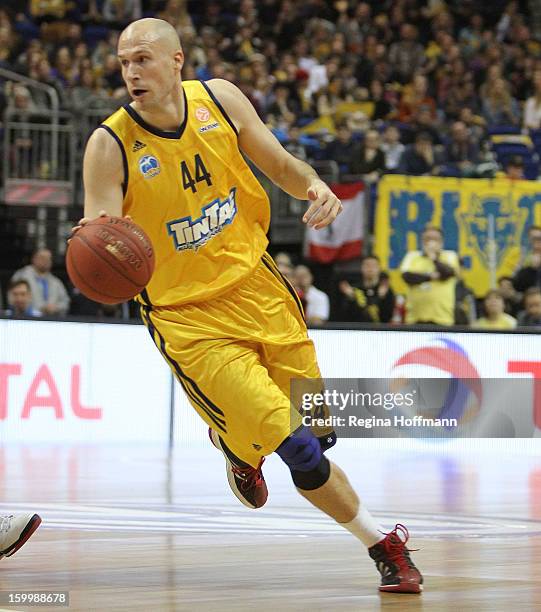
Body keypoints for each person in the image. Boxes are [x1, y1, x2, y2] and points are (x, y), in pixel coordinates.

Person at [73, 18, 422, 594]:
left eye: (143, 59)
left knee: (318, 434)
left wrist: (316, 186)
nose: (132, 71)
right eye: (123, 62)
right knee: (300, 447)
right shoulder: (108, 146)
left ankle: (234, 445)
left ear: (177, 60)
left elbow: (284, 167)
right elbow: (101, 234)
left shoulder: (221, 98)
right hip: (190, 319)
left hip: (260, 288)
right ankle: (383, 545)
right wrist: (98, 251)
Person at [400, 226, 459, 326]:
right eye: (427, 239)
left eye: (435, 239)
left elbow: (448, 273)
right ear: (422, 241)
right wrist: (430, 277)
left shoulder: (450, 256)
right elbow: (407, 277)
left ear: (441, 242)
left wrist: (434, 258)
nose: (431, 243)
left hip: (442, 318)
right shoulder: (412, 256)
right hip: (415, 318)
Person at [11, 248, 70, 316]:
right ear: (33, 259)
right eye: (42, 257)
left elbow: (65, 302)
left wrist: (56, 308)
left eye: (49, 258)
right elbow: (11, 299)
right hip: (26, 319)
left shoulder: (56, 282)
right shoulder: (21, 276)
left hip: (52, 321)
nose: (46, 261)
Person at [338, 255, 395, 323]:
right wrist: (351, 297)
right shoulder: (354, 289)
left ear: (379, 269)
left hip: (380, 331)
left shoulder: (385, 290)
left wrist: (381, 298)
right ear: (362, 268)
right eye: (367, 265)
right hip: (357, 330)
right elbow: (346, 317)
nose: (370, 268)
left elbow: (387, 317)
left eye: (373, 266)